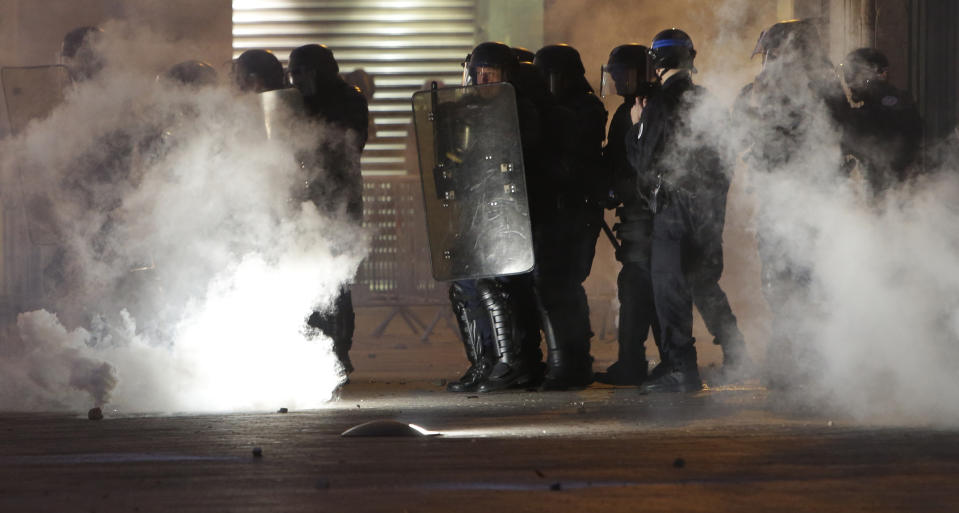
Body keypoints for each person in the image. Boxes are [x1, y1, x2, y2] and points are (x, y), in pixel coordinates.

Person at [733, 19, 846, 388]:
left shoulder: (820, 88)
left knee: (805, 284)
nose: (768, 60)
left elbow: (839, 138)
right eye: (768, 54)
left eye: (775, 52)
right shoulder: (764, 89)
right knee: (781, 283)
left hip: (808, 202)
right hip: (780, 201)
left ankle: (810, 367)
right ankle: (791, 366)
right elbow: (740, 130)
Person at [625, 28, 728, 393]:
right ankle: (729, 355)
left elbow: (645, 159)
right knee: (699, 281)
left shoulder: (660, 103)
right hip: (706, 210)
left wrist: (637, 128)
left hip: (674, 208)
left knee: (669, 289)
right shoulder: (707, 99)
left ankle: (682, 369)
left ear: (657, 61)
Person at [440, 42, 544, 393]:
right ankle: (484, 362)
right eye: (478, 71)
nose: (482, 78)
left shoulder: (520, 109)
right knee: (465, 287)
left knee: (498, 286)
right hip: (475, 210)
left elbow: (521, 157)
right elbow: (456, 159)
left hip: (506, 214)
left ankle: (513, 362)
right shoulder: (465, 111)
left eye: (491, 73)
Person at [287, 44, 369, 377]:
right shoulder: (295, 99)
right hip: (305, 198)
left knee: (336, 278)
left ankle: (337, 350)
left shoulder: (348, 99)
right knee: (307, 271)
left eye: (301, 72)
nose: (296, 79)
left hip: (339, 197)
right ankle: (313, 346)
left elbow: (347, 143)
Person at [530, 44, 607, 389]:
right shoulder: (556, 108)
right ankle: (570, 361)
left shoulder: (586, 108)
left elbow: (572, 160)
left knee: (561, 285)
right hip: (555, 211)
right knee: (555, 286)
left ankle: (571, 365)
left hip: (574, 210)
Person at [594, 43, 660, 386]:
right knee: (644, 287)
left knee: (637, 287)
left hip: (647, 217)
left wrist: (617, 189)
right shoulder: (626, 112)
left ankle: (635, 364)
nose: (618, 81)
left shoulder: (647, 110)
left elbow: (644, 167)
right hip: (636, 216)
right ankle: (659, 362)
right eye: (615, 75)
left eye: (624, 74)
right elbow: (617, 160)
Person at [838, 47, 923, 195]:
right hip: (883, 192)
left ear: (880, 74)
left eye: (853, 75)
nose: (849, 84)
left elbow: (868, 131)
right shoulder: (873, 106)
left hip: (899, 193)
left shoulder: (894, 103)